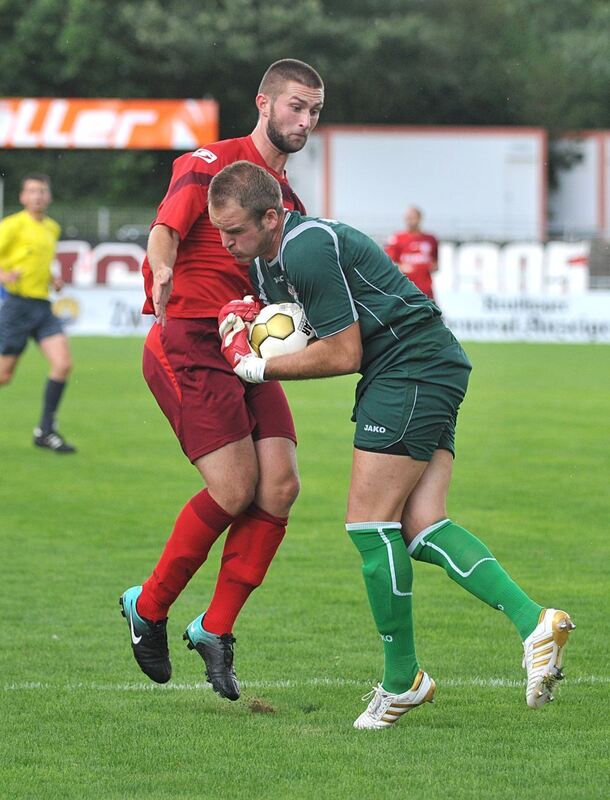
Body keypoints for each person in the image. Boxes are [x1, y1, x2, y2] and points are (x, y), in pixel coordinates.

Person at [208, 161, 575, 729]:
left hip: (407, 367)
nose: (226, 242)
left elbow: (344, 353)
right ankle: (536, 623)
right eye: (220, 231)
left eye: (235, 231)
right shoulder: (270, 263)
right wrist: (248, 320)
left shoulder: (305, 247)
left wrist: (258, 367)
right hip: (425, 363)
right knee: (423, 525)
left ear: (273, 217)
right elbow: (295, 325)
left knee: (369, 526)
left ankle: (402, 681)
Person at [119, 59, 324, 701]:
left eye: (315, 110)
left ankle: (215, 628)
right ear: (263, 102)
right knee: (236, 488)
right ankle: (148, 607)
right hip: (187, 340)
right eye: (295, 106)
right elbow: (165, 229)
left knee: (281, 486)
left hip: (246, 348)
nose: (305, 120)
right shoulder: (212, 160)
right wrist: (162, 272)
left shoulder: (287, 203)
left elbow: (285, 286)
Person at [0, 174, 76, 453]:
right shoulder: (12, 225)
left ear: (49, 196)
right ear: (22, 197)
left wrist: (52, 279)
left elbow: (40, 262)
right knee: (4, 376)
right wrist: (3, 274)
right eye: (32, 191)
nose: (38, 196)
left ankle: (45, 430)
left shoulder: (51, 228)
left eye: (42, 191)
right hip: (17, 306)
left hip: (42, 306)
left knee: (63, 364)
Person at [384, 206, 438, 300]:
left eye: (412, 218)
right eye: (407, 218)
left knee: (432, 313)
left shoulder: (430, 239)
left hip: (426, 290)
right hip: (404, 291)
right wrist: (402, 267)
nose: (410, 221)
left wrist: (429, 266)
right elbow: (388, 264)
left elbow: (435, 263)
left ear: (420, 218)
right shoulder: (396, 239)